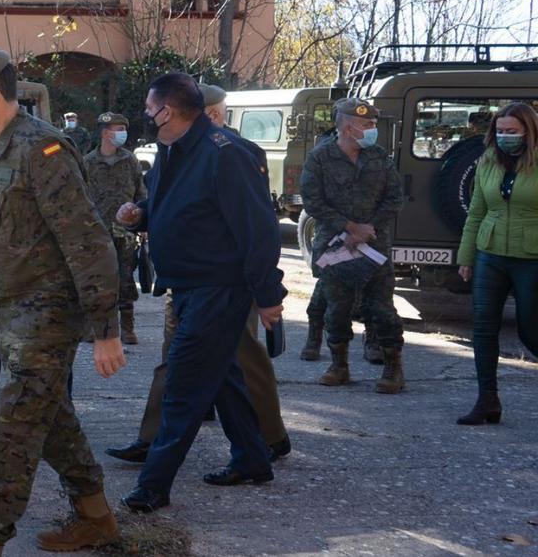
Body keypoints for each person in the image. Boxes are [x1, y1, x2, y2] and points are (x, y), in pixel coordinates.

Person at [0, 47, 126, 557]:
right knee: (52, 424)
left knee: (9, 430)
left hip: (46, 316)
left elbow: (87, 242)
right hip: (6, 315)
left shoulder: (42, 149)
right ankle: (97, 519)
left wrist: (105, 330)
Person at [115, 72, 284, 514]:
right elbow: (179, 207)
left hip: (219, 290)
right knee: (223, 377)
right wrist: (141, 215)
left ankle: (153, 486)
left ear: (166, 112)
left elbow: (259, 229)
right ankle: (252, 458)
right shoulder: (174, 150)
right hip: (188, 287)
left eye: (150, 110)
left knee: (184, 388)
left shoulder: (225, 155)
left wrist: (268, 295)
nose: (146, 118)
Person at [300, 98, 405, 393]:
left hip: (374, 246)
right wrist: (349, 228)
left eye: (373, 124)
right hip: (336, 244)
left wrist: (367, 228)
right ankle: (339, 366)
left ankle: (393, 368)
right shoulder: (320, 158)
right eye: (367, 125)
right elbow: (312, 202)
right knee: (337, 308)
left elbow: (395, 198)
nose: (373, 129)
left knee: (382, 308)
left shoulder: (379, 157)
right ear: (348, 127)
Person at [455, 101, 538, 425]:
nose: (505, 137)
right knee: (483, 328)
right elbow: (476, 211)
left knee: (531, 331)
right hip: (490, 253)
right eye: (500, 131)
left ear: (528, 132)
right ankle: (487, 401)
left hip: (531, 257)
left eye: (512, 132)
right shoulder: (488, 160)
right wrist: (466, 257)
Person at [83, 112, 145, 345]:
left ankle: (127, 328)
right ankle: (96, 328)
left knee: (126, 278)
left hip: (125, 231)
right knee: (96, 280)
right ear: (104, 133)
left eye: (123, 128)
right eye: (117, 129)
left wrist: (142, 221)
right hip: (96, 232)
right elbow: (79, 197)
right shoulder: (88, 162)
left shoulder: (130, 160)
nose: (122, 133)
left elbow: (141, 192)